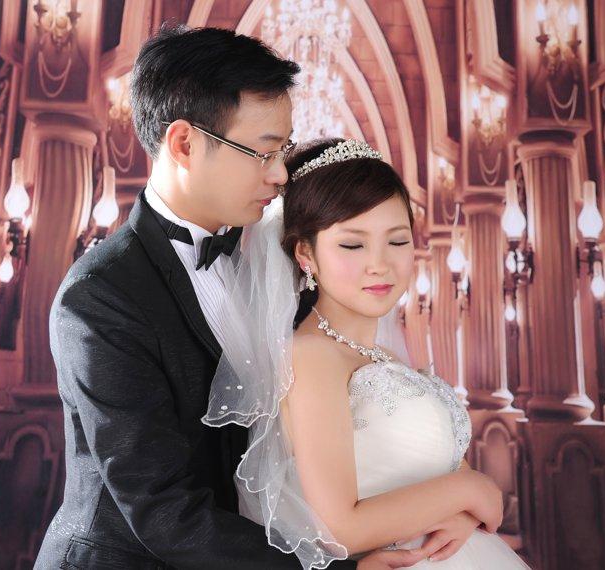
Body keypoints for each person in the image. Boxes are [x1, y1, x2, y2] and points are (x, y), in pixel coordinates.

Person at [36, 26, 419, 569]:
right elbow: (164, 513)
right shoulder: (99, 300)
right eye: (263, 152)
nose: (280, 174)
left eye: (284, 150)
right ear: (184, 144)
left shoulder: (278, 259)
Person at [207, 138, 531, 569]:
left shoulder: (382, 356)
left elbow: (443, 473)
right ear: (306, 253)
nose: (379, 264)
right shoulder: (311, 357)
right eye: (352, 245)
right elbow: (340, 527)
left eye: (397, 241)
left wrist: (465, 511)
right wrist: (474, 491)